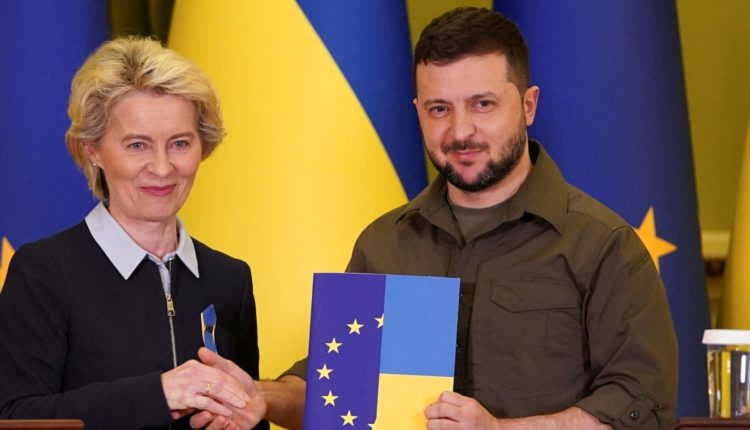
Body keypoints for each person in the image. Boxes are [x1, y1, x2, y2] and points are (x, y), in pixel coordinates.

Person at [195, 7, 678, 430]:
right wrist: (262, 396)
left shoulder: (602, 245)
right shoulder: (385, 243)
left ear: (528, 105)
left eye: (483, 104)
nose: (460, 130)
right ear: (418, 111)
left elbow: (640, 405)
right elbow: (339, 388)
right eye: (439, 109)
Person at [0, 37, 268, 430]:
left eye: (179, 143)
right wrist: (157, 395)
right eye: (138, 145)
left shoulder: (230, 279)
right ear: (93, 150)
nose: (162, 168)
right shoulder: (43, 272)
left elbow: (245, 413)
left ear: (203, 146)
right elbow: (14, 417)